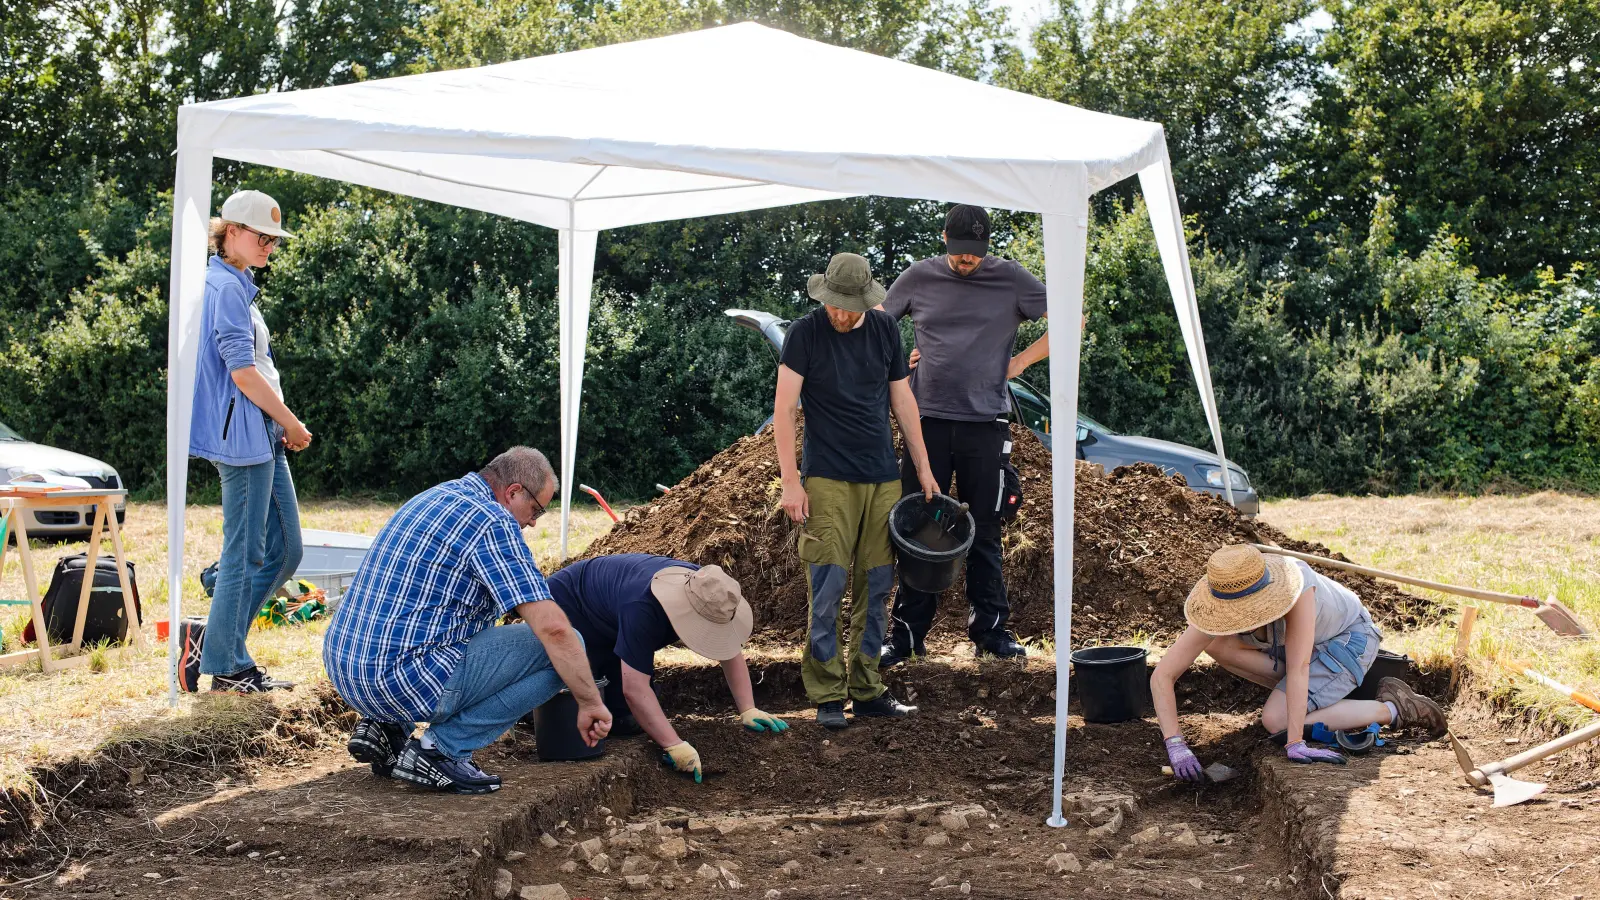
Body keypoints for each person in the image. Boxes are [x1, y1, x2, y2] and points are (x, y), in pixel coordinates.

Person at [323, 447, 612, 795]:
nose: (534, 521)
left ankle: (385, 729)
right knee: (567, 648)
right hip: (400, 680)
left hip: (348, 671)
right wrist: (590, 702)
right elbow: (552, 629)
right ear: (513, 491)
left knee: (440, 626)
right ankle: (441, 751)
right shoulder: (492, 521)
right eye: (535, 509)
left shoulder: (436, 496)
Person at [774, 252, 940, 730]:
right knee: (827, 586)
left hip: (883, 476)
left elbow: (902, 398)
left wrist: (923, 469)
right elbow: (785, 409)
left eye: (851, 307)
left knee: (878, 585)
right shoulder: (804, 334)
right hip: (827, 476)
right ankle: (827, 692)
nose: (842, 315)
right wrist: (791, 480)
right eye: (835, 305)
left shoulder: (886, 329)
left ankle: (867, 688)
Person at [880, 204, 1048, 665]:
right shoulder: (919, 277)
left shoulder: (1011, 279)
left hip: (985, 425)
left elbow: (1072, 317)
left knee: (987, 529)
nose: (966, 261)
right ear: (944, 239)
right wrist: (897, 363)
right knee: (919, 525)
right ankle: (907, 635)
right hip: (926, 422)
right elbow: (877, 324)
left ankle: (991, 631)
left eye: (975, 253)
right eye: (959, 252)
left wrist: (1019, 363)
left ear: (987, 246)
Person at [1152, 545, 1448, 779]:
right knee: (1218, 644)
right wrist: (1175, 743)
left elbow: (1299, 667)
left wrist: (1294, 741)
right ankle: (1311, 700)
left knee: (1276, 720)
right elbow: (1162, 676)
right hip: (1305, 651)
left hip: (1348, 640)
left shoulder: (1296, 588)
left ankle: (1395, 707)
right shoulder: (1221, 599)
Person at [188, 189, 312, 693]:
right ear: (231, 231)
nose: (269, 246)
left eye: (274, 240)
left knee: (287, 552)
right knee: (245, 553)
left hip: (259, 430)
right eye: (262, 236)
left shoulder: (237, 282)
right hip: (244, 434)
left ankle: (214, 632)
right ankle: (225, 663)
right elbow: (241, 372)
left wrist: (276, 422)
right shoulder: (225, 286)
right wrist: (291, 421)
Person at [548, 553, 787, 782]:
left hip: (613, 615)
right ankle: (532, 712)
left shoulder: (711, 590)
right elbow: (635, 689)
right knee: (576, 721)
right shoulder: (644, 607)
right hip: (572, 606)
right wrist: (673, 744)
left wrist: (748, 709)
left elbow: (729, 648)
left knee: (626, 722)